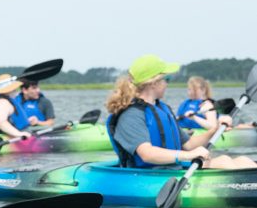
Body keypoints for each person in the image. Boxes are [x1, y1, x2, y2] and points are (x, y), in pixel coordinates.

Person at [105, 54, 256, 169]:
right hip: (151, 175)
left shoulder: (162, 108)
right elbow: (147, 154)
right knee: (224, 163)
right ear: (153, 83)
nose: (167, 84)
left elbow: (189, 144)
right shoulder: (131, 115)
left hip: (173, 168)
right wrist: (188, 156)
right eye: (167, 79)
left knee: (238, 160)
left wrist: (215, 129)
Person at [0, 74, 32, 139]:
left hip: (23, 131)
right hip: (16, 136)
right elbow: (1, 122)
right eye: (14, 89)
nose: (16, 90)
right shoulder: (2, 103)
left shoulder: (6, 100)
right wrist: (18, 134)